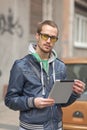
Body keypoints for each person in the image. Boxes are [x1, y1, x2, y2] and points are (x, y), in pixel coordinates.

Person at [5, 20, 85, 130]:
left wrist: (75, 93)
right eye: (45, 36)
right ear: (37, 36)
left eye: (53, 38)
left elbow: (61, 103)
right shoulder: (21, 66)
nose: (48, 41)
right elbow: (10, 100)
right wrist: (32, 102)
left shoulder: (60, 66)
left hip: (56, 127)